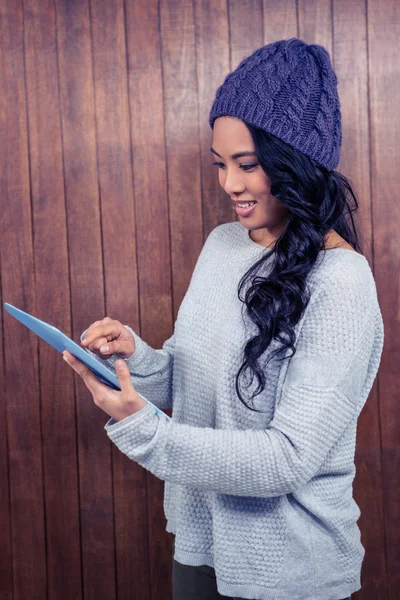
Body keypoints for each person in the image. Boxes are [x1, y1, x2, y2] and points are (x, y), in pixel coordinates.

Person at [64, 38, 384, 600]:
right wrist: (132, 357)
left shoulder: (342, 282)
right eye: (220, 164)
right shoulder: (223, 246)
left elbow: (287, 460)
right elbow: (192, 384)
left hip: (291, 573)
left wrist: (145, 431)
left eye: (248, 164)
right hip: (199, 552)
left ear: (296, 161)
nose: (229, 184)